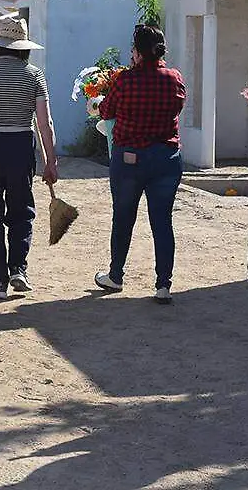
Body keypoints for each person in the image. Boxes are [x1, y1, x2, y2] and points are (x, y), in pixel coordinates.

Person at [93, 25, 187, 304]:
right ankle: (163, 284)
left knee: (123, 218)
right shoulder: (174, 78)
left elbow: (106, 110)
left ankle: (116, 276)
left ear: (137, 51)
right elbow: (177, 108)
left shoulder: (125, 80)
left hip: (129, 159)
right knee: (162, 222)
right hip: (166, 158)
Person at [0, 17, 58, 300]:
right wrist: (51, 161)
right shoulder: (34, 75)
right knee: (21, 211)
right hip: (20, 145)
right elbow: (45, 123)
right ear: (23, 47)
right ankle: (18, 268)